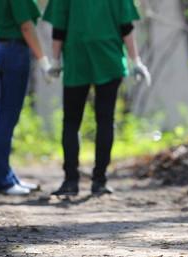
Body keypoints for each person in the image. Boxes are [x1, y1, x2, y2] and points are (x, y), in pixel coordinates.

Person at [43, 0, 150, 196]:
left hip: (77, 58)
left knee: (71, 121)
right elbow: (126, 26)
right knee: (105, 120)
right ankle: (99, 181)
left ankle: (70, 181)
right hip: (108, 57)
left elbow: (59, 27)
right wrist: (136, 60)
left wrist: (55, 60)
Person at [0, 0, 51, 195]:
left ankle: (3, 175)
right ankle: (1, 181)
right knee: (7, 115)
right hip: (14, 51)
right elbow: (26, 26)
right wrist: (43, 60)